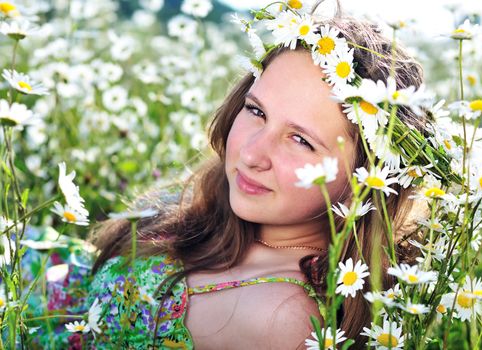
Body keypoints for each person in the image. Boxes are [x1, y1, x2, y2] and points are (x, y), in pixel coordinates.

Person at [26, 1, 430, 349]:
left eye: (301, 141)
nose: (252, 153)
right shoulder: (230, 217)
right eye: (256, 111)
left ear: (369, 178)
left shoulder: (284, 321)